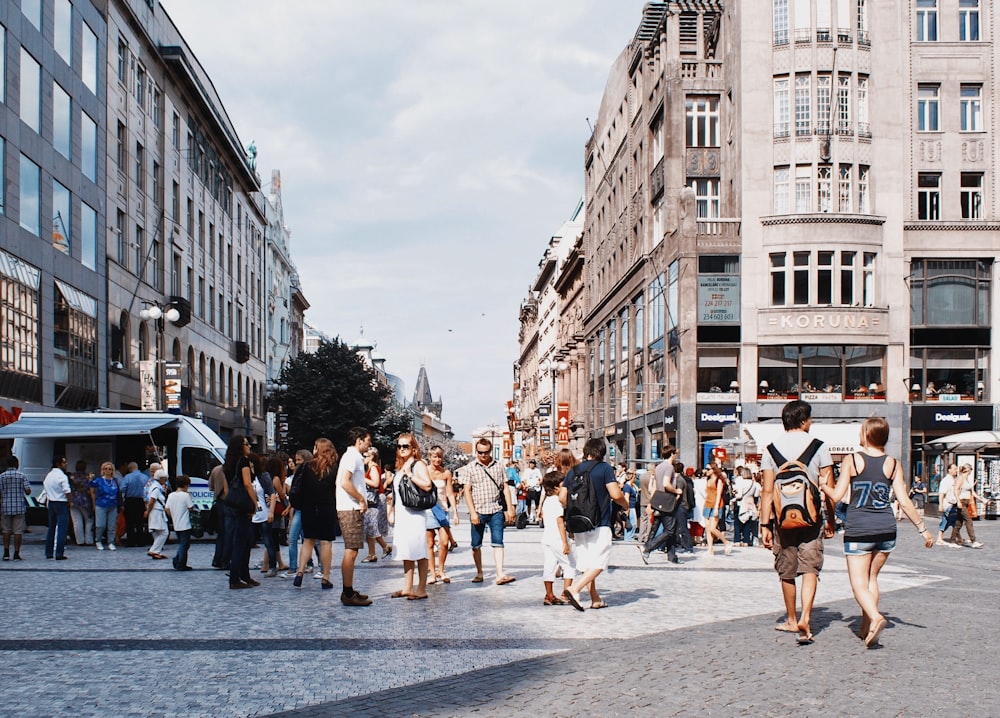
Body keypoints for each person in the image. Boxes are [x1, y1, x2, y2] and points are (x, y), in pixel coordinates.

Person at [821, 416, 934, 647]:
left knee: (858, 584)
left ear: (866, 435)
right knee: (872, 578)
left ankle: (875, 617)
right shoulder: (893, 464)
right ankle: (866, 628)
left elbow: (836, 495)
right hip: (886, 529)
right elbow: (903, 501)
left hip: (859, 529)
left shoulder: (852, 460)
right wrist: (923, 530)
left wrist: (822, 484)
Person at [759, 399, 836, 645]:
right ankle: (806, 617)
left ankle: (792, 619)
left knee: (787, 571)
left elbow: (767, 491)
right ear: (804, 421)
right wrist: (831, 519)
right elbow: (829, 488)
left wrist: (764, 525)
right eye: (810, 419)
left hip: (782, 521)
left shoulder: (770, 450)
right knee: (810, 568)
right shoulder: (820, 447)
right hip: (812, 519)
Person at [560, 438, 629, 611]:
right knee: (600, 562)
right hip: (600, 522)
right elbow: (614, 494)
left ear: (586, 451)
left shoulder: (573, 471)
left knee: (587, 563)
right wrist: (625, 504)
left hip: (579, 524)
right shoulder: (604, 468)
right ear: (602, 451)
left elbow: (562, 497)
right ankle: (574, 589)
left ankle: (595, 599)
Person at [462, 438, 516, 585]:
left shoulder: (498, 466)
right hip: (478, 510)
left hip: (495, 509)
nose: (483, 455)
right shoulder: (470, 468)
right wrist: (472, 512)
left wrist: (510, 508)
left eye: (486, 452)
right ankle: (479, 572)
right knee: (476, 544)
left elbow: (505, 488)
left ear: (490, 451)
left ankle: (500, 573)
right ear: (476, 451)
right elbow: (467, 491)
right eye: (480, 452)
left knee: (498, 542)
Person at [290, 438, 341, 593]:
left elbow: (297, 487)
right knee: (326, 543)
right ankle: (325, 577)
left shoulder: (306, 466)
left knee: (308, 541)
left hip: (308, 508)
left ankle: (299, 572)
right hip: (327, 507)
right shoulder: (333, 468)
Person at [389, 433, 432, 600]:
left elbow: (427, 485)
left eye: (405, 446)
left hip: (415, 514)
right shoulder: (401, 466)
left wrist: (410, 474)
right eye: (399, 446)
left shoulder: (418, 464)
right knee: (407, 551)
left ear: (414, 449)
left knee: (419, 550)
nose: (401, 449)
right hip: (402, 513)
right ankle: (407, 587)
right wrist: (392, 510)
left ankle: (421, 589)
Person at [336, 427, 374, 607]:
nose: (370, 443)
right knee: (351, 551)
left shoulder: (352, 456)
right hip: (350, 508)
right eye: (368, 440)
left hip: (349, 507)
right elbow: (344, 482)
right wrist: (361, 500)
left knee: (353, 550)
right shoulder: (352, 457)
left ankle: (349, 590)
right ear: (359, 440)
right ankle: (347, 593)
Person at [222, 435, 259, 589]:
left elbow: (227, 488)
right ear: (240, 446)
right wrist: (255, 503)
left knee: (240, 541)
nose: (249, 446)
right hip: (243, 504)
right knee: (241, 543)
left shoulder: (227, 464)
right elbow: (247, 483)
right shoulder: (243, 461)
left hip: (233, 504)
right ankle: (236, 578)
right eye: (246, 444)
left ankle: (243, 575)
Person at [638, 446, 683, 565]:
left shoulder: (658, 467)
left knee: (659, 528)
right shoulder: (669, 467)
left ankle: (672, 556)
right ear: (672, 454)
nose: (676, 456)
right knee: (669, 530)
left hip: (658, 500)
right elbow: (666, 484)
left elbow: (655, 487)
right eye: (675, 454)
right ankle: (647, 547)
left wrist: (651, 503)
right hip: (667, 500)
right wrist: (676, 491)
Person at [539, 471, 576, 605]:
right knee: (570, 564)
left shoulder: (547, 501)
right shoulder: (557, 502)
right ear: (556, 488)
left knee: (549, 565)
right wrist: (565, 542)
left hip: (547, 538)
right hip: (557, 538)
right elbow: (560, 522)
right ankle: (566, 593)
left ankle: (549, 594)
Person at [425, 444, 458, 584]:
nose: (437, 459)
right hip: (427, 510)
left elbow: (450, 493)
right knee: (430, 543)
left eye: (439, 457)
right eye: (434, 456)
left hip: (442, 510)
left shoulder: (446, 473)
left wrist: (455, 512)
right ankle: (432, 573)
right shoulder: (424, 471)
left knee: (444, 543)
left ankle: (441, 570)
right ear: (430, 457)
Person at [283, 449, 314, 578]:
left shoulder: (309, 473)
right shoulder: (298, 473)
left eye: (299, 460)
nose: (296, 463)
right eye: (296, 460)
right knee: (294, 538)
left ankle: (316, 566)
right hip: (299, 509)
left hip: (305, 509)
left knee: (311, 540)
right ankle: (293, 567)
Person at [361, 447, 392, 563]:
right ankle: (384, 548)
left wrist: (362, 478)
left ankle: (372, 554)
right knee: (371, 527)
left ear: (371, 456)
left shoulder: (373, 468)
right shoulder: (370, 467)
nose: (363, 458)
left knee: (371, 527)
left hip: (375, 500)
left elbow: (375, 483)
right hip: (373, 500)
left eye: (365, 456)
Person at [0, 455, 31, 560]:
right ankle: (16, 553)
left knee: (6, 530)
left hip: (6, 506)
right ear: (16, 464)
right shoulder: (22, 476)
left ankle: (6, 552)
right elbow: (28, 491)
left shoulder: (2, 476)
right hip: (19, 506)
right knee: (18, 531)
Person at [950, 464, 985, 548]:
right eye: (971, 469)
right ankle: (974, 541)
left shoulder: (967, 479)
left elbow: (972, 492)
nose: (971, 471)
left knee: (958, 523)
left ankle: (952, 540)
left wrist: (982, 499)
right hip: (961, 502)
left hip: (966, 502)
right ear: (968, 470)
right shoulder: (961, 478)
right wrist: (958, 501)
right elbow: (955, 490)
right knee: (968, 521)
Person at [44, 456, 72, 560]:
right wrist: (70, 502)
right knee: (62, 528)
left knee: (51, 528)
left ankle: (49, 552)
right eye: (64, 462)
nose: (66, 464)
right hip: (61, 502)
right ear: (58, 464)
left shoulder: (49, 475)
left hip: (51, 502)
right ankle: (59, 553)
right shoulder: (62, 476)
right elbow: (67, 490)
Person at [703, 461, 734, 556]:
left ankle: (726, 542)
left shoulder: (719, 480)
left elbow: (719, 495)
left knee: (713, 528)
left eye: (708, 469)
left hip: (716, 504)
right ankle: (710, 549)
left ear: (713, 470)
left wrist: (716, 507)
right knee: (708, 528)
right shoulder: (707, 479)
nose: (706, 471)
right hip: (707, 504)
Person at [165, 475, 195, 570]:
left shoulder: (171, 495)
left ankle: (179, 561)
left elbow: (167, 508)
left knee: (182, 543)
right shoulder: (186, 495)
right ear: (186, 485)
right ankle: (179, 562)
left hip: (176, 523)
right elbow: (191, 508)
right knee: (184, 544)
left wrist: (173, 516)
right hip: (185, 523)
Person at [89, 462, 119, 551]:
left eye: (109, 469)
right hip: (101, 504)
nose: (107, 471)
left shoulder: (115, 480)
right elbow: (91, 485)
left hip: (113, 505)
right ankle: (98, 540)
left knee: (111, 525)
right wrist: (90, 479)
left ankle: (111, 542)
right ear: (103, 470)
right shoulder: (99, 480)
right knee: (100, 525)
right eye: (105, 469)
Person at [120, 461, 147, 547]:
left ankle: (131, 541)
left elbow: (122, 488)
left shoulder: (127, 477)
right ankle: (140, 541)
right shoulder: (145, 477)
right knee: (140, 522)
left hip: (130, 501)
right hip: (141, 501)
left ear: (130, 468)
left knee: (130, 522)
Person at [68, 460, 95, 546]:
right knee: (89, 520)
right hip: (85, 501)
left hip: (73, 500)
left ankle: (80, 540)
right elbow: (90, 489)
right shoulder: (87, 477)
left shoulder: (71, 477)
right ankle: (89, 540)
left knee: (76, 521)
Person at [732, 466, 760, 547]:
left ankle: (737, 540)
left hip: (741, 503)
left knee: (737, 523)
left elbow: (739, 495)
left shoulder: (741, 482)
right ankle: (746, 540)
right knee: (747, 522)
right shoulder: (754, 483)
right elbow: (756, 494)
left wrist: (735, 495)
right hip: (750, 504)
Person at [144, 469, 169, 560]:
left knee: (158, 532)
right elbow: (152, 500)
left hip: (157, 511)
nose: (165, 481)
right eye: (165, 479)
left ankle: (157, 551)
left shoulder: (155, 486)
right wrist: (148, 511)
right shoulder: (156, 488)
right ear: (161, 478)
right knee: (164, 532)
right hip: (157, 511)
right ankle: (154, 550)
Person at [935, 464, 961, 547]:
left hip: (953, 503)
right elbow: (942, 493)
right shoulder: (946, 480)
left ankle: (954, 538)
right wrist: (941, 504)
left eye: (956, 469)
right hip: (948, 504)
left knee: (949, 521)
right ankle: (946, 539)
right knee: (952, 521)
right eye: (954, 469)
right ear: (949, 470)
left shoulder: (954, 480)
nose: (956, 470)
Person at [622, 469, 638, 542]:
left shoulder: (630, 485)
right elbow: (626, 498)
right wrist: (626, 509)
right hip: (630, 507)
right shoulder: (627, 486)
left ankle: (629, 537)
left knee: (632, 522)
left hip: (632, 506)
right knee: (632, 523)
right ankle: (628, 538)